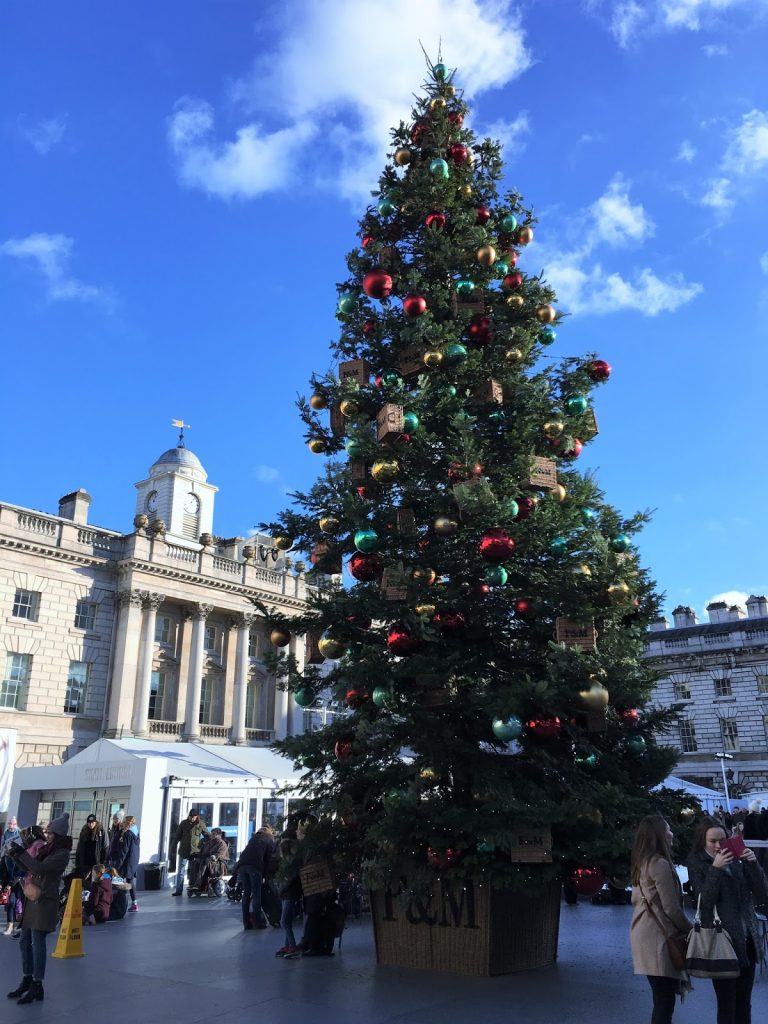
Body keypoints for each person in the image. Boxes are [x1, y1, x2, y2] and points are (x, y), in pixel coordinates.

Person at [687, 817, 768, 1024]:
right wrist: (715, 869)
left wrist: (753, 864)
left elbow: (762, 892)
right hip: (722, 941)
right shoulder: (697, 862)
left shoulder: (736, 856)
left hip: (747, 937)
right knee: (726, 1005)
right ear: (702, 841)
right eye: (712, 841)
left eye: (722, 840)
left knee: (744, 1003)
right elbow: (703, 903)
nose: (718, 846)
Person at [629, 814, 691, 1024]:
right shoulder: (659, 864)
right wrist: (690, 929)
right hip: (659, 938)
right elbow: (671, 908)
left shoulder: (642, 862)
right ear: (659, 835)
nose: (671, 833)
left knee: (661, 998)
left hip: (644, 934)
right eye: (668, 829)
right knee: (664, 1001)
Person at [6, 812, 72, 1004]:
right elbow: (31, 867)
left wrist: (22, 854)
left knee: (37, 942)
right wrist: (16, 855)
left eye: (50, 833)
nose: (47, 835)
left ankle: (37, 983)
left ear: (58, 834)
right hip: (34, 897)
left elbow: (39, 868)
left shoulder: (62, 853)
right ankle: (27, 978)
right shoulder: (49, 849)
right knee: (24, 941)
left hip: (45, 900)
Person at [234, 825, 275, 930]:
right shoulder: (269, 840)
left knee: (246, 894)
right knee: (257, 894)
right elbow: (268, 860)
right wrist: (265, 876)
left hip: (242, 865)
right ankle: (258, 922)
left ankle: (246, 923)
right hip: (255, 867)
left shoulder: (253, 838)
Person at [172, 809, 209, 897]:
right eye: (191, 817)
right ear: (189, 816)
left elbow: (207, 835)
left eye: (194, 817)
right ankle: (179, 891)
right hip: (184, 851)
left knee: (194, 871)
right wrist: (173, 848)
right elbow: (177, 836)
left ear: (197, 816)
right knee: (181, 871)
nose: (192, 819)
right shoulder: (183, 823)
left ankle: (194, 888)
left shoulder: (200, 824)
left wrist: (209, 844)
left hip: (195, 851)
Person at [114, 815, 140, 912]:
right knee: (130, 881)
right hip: (133, 861)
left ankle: (117, 902)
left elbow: (124, 851)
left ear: (128, 823)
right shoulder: (136, 833)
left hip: (126, 862)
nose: (123, 823)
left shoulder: (128, 834)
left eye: (124, 821)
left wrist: (118, 865)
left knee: (117, 880)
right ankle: (135, 903)